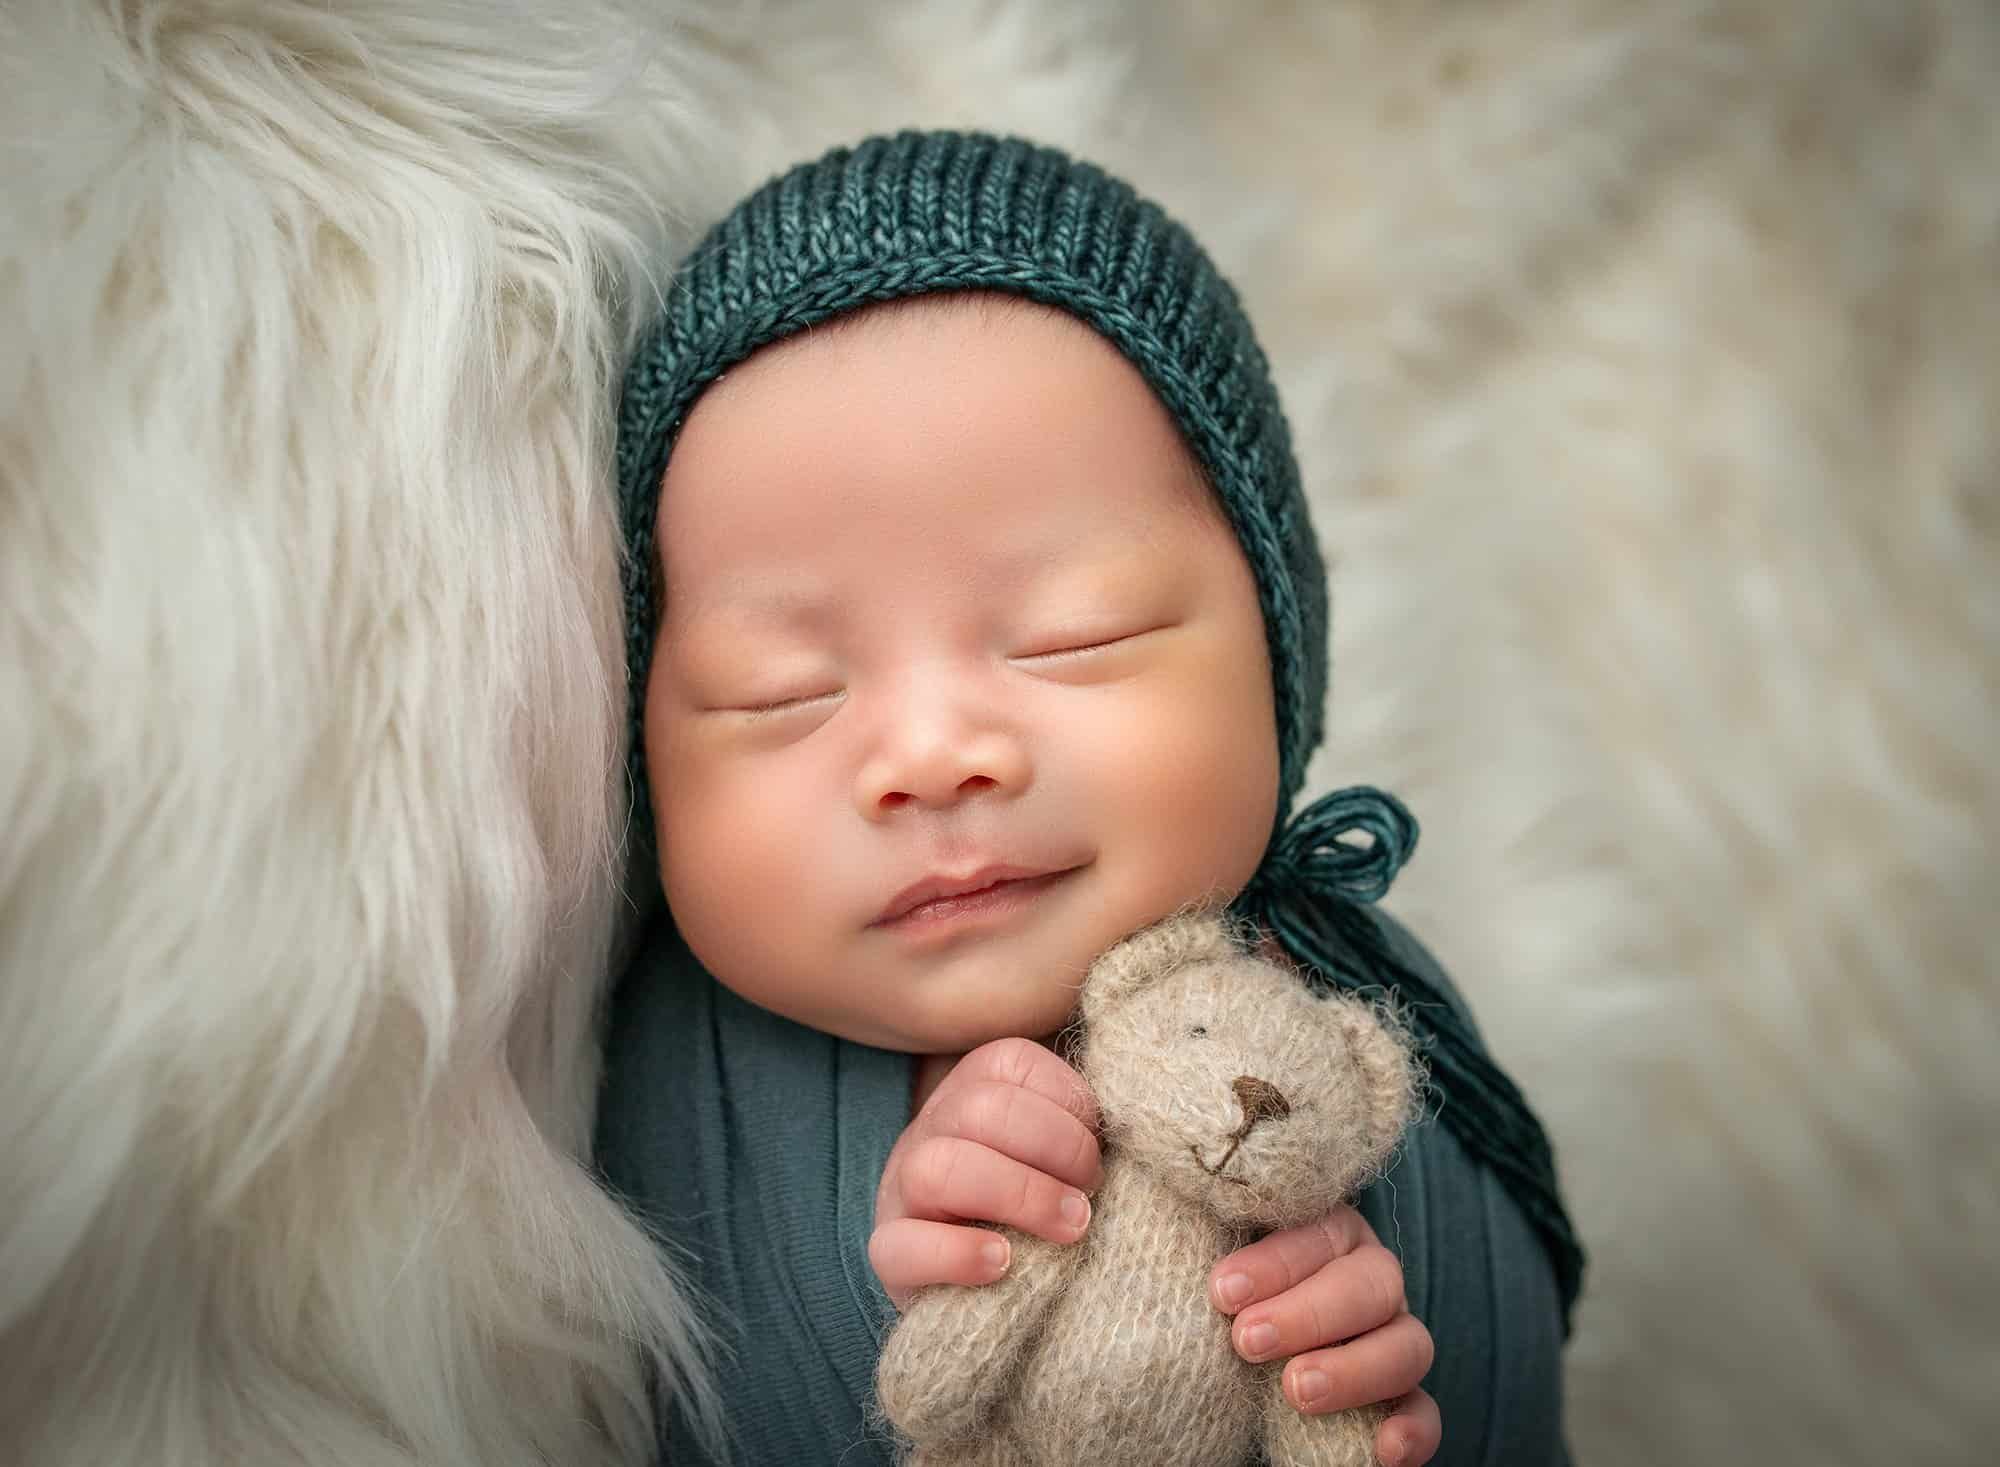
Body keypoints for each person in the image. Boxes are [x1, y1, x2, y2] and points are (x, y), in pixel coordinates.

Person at [596, 131, 1582, 1467]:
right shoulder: (647, 1064)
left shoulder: (1350, 1013)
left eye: (1077, 633)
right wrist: (902, 1283)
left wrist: (1372, 1333)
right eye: (778, 694)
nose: (936, 754)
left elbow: (1516, 1347)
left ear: (1276, 648)